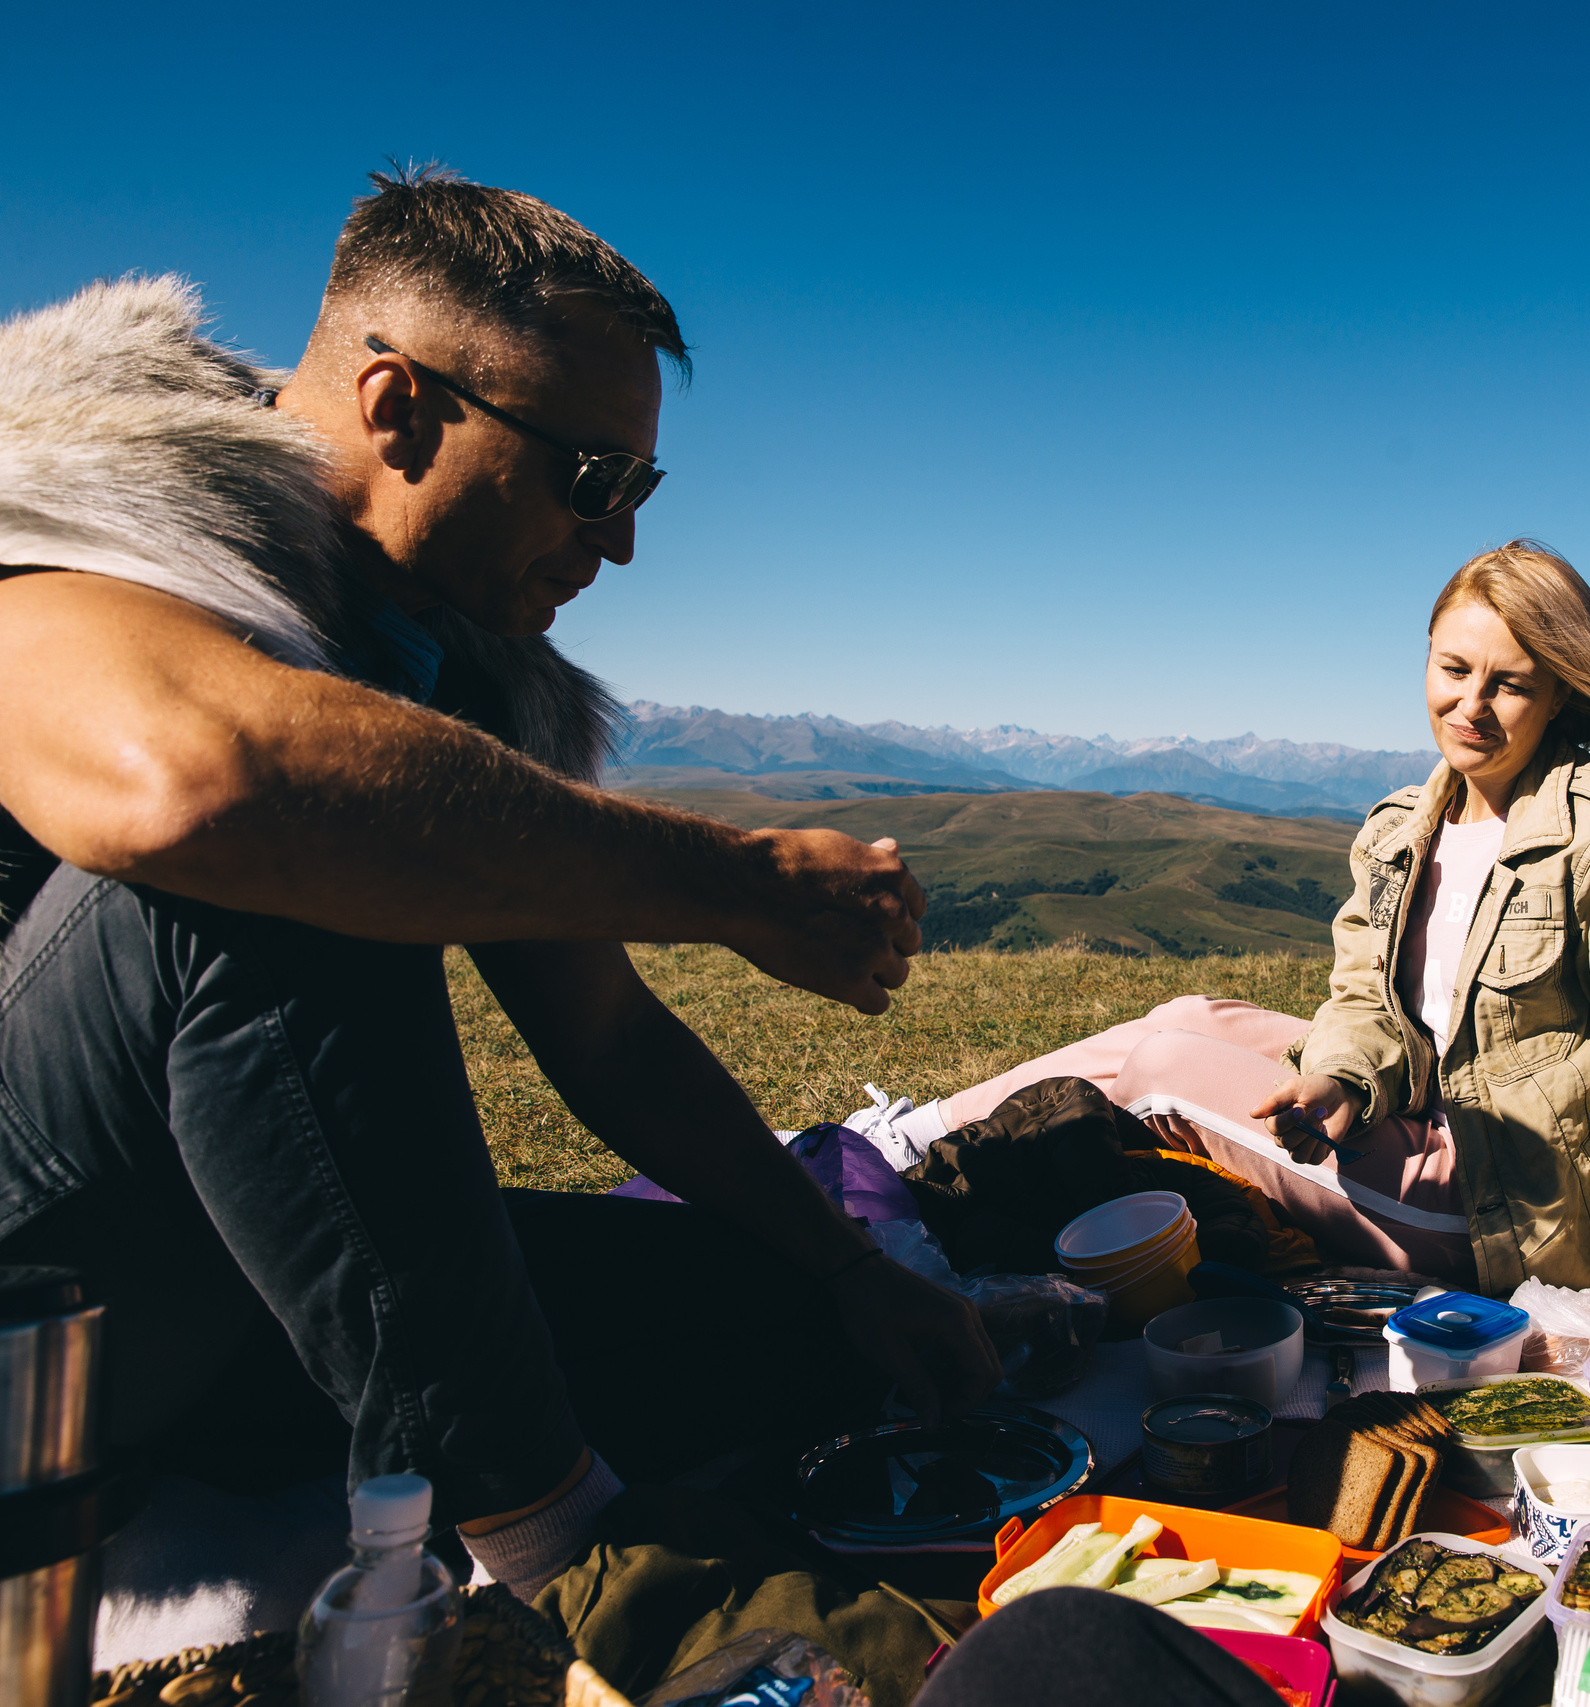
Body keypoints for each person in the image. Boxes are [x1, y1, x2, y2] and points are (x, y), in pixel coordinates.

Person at [0, 170, 997, 1598]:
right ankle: (566, 1550)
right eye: (592, 479)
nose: (623, 539)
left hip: (205, 1324)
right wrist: (736, 880)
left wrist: (849, 1271)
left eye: (641, 488)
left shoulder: (461, 663)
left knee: (791, 1320)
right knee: (278, 849)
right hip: (29, 1294)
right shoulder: (75, 512)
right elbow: (201, 783)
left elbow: (606, 1036)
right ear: (401, 405)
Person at [868, 542, 1590, 1318]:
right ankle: (901, 1138)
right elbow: (1370, 1002)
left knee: (1161, 1071)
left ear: (1560, 692)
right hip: (1421, 1111)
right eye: (1453, 669)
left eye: (1510, 682)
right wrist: (1340, 1081)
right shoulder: (1403, 827)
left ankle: (912, 1189)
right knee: (1188, 1015)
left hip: (1504, 1197)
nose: (1471, 704)